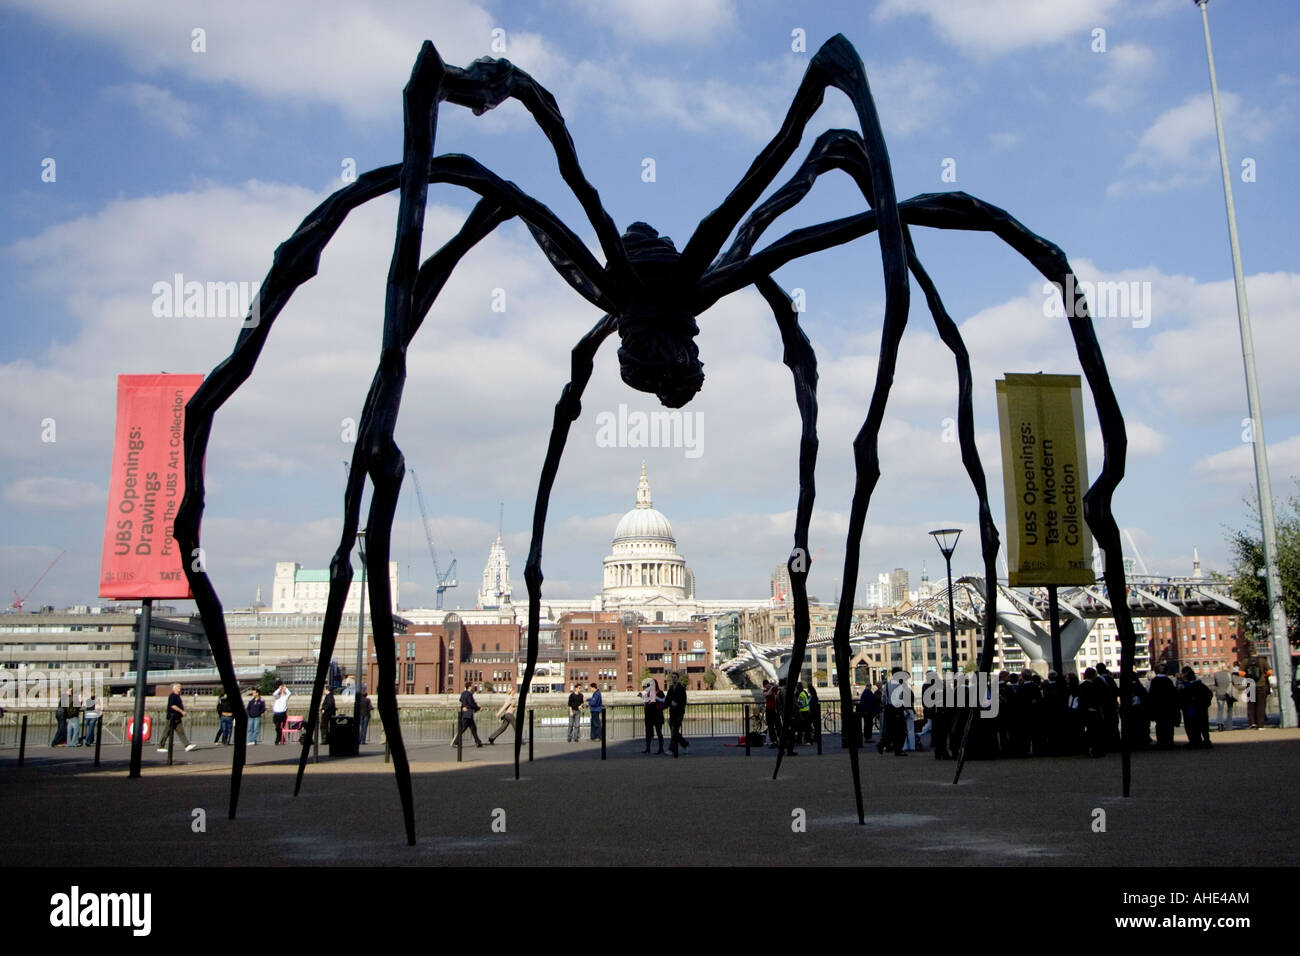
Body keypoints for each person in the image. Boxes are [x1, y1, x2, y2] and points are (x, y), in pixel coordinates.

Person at [157, 682, 197, 753]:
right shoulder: (172, 696)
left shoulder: (178, 696)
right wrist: (181, 711)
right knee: (167, 731)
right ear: (174, 688)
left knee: (181, 732)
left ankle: (187, 745)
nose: (180, 688)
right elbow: (172, 706)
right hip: (172, 717)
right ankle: (161, 746)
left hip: (177, 717)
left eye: (180, 687)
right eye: (178, 687)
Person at [1147, 663, 1180, 749]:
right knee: (1169, 725)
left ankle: (1161, 742)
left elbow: (1151, 696)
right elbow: (1174, 695)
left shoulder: (1154, 681)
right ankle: (1169, 742)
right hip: (1168, 707)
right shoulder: (1168, 681)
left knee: (1160, 725)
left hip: (1158, 707)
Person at [1179, 667, 1213, 749]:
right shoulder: (1201, 685)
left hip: (1191, 709)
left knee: (1192, 726)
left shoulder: (1187, 687)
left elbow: (1182, 698)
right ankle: (1206, 740)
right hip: (1202, 708)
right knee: (1204, 725)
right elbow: (1209, 694)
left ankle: (1195, 742)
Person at [452, 681, 483, 747]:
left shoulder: (463, 693)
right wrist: (478, 708)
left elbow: (460, 699)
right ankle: (456, 742)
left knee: (473, 728)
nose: (473, 687)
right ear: (469, 687)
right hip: (468, 713)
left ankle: (478, 742)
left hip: (465, 713)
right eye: (472, 686)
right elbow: (471, 703)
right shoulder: (469, 694)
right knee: (463, 728)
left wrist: (463, 706)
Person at [665, 671, 689, 756]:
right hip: (672, 713)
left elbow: (684, 701)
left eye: (675, 677)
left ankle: (671, 749)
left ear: (678, 678)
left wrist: (677, 704)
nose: (673, 678)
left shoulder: (681, 688)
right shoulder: (671, 689)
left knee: (674, 731)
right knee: (674, 732)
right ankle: (685, 744)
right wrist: (661, 707)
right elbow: (667, 701)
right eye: (672, 677)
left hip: (679, 714)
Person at [640, 678, 665, 754]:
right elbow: (646, 703)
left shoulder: (660, 692)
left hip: (657, 715)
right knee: (648, 732)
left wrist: (655, 697)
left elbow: (664, 701)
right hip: (649, 715)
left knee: (658, 732)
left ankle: (661, 748)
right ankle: (648, 748)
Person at [1212, 665, 1234, 730]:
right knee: (1230, 710)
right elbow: (1233, 683)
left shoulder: (1216, 674)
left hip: (1220, 693)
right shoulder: (1229, 674)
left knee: (1220, 710)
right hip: (1229, 693)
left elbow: (1216, 684)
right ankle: (1229, 726)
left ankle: (1220, 724)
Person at [763, 679, 782, 748]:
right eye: (766, 685)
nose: (767, 686)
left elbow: (780, 689)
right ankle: (773, 741)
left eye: (768, 684)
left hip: (775, 709)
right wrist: (771, 687)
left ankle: (781, 739)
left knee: (778, 725)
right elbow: (767, 694)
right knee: (770, 726)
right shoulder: (765, 691)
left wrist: (776, 686)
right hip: (768, 710)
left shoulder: (774, 689)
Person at [271, 680, 291, 744]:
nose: (282, 690)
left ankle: (278, 740)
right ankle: (280, 738)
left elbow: (289, 693)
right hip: (276, 714)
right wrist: (279, 688)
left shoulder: (285, 697)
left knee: (281, 727)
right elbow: (274, 694)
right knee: (277, 727)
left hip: (282, 714)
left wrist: (285, 688)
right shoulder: (277, 697)